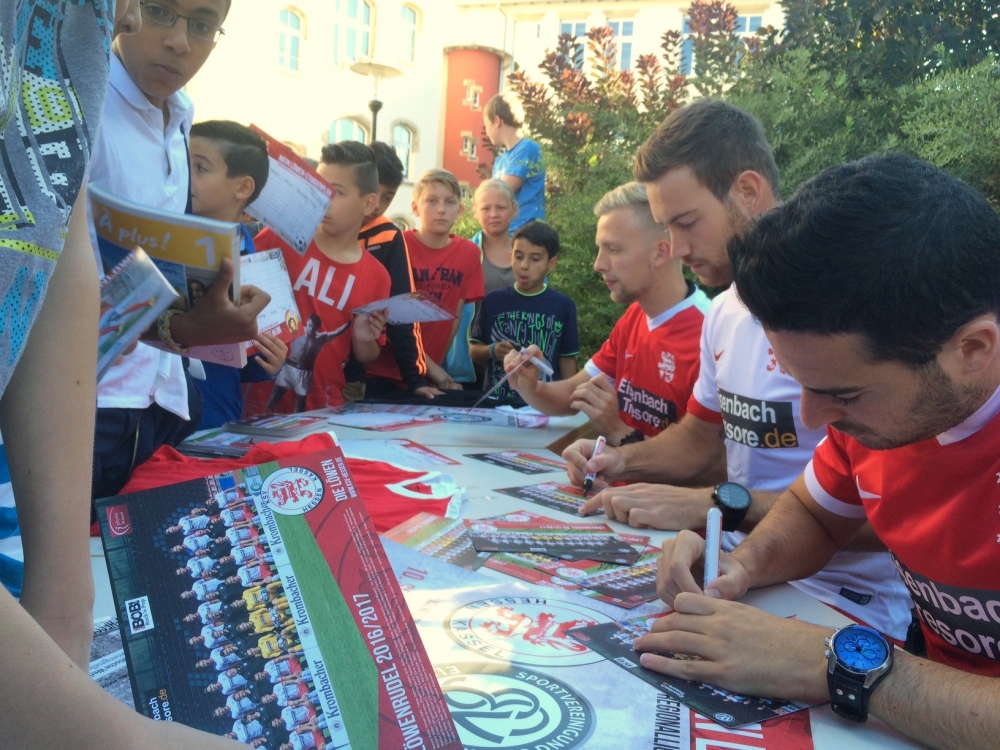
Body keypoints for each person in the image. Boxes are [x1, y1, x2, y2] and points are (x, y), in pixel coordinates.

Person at [647, 153, 1000, 750]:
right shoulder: (868, 416)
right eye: (801, 384)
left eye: (844, 393)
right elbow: (816, 514)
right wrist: (739, 568)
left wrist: (828, 663)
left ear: (972, 350)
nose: (812, 417)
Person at [564, 101, 911, 641]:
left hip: (845, 598)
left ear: (748, 191)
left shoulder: (846, 315)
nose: (677, 248)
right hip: (737, 568)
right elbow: (699, 440)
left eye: (686, 223)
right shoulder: (723, 311)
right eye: (666, 228)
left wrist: (717, 506)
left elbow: (893, 514)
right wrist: (619, 459)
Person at [0, 2, 243, 748]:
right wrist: (99, 731)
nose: (137, 21)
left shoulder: (165, 110)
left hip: (117, 397)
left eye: (204, 22)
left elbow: (54, 237)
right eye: (153, 6)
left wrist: (63, 608)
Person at [90, 0, 270, 500]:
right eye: (160, 11)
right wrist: (186, 329)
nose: (179, 41)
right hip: (84, 403)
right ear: (126, 9)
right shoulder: (84, 103)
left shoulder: (183, 117)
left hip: (163, 402)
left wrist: (206, 317)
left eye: (203, 25)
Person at [504, 182, 710, 447]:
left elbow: (706, 462)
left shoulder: (711, 334)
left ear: (660, 252)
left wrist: (618, 433)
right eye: (600, 249)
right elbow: (573, 395)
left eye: (613, 249)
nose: (598, 264)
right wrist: (530, 386)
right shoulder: (634, 317)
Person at [252, 142, 390, 413]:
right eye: (319, 188)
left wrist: (363, 338)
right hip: (252, 405)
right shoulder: (279, 237)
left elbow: (368, 354)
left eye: (336, 192)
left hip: (322, 412)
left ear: (369, 203)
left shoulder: (377, 276)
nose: (323, 199)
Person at [187, 119, 288, 428]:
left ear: (243, 188)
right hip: (147, 421)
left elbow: (249, 361)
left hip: (213, 422)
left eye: (200, 167)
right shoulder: (153, 237)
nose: (184, 175)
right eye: (180, 162)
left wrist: (271, 359)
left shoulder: (256, 262)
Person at [350, 142, 437, 399]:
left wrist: (415, 379)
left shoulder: (389, 236)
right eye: (372, 193)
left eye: (387, 197)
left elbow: (403, 306)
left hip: (357, 374)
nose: (376, 205)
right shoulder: (323, 225)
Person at [470, 221, 578, 403]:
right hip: (498, 401)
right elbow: (474, 350)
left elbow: (567, 360)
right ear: (510, 256)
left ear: (551, 263)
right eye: (518, 257)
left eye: (535, 259)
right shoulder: (493, 301)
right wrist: (492, 350)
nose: (524, 265)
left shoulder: (563, 305)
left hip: (545, 403)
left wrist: (570, 402)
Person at [401, 169, 485, 390]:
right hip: (389, 370)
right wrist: (429, 366)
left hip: (430, 375)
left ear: (460, 210)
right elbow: (390, 319)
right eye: (431, 201)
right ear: (415, 207)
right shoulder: (398, 245)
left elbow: (454, 316)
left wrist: (434, 366)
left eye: (449, 202)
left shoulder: (469, 253)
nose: (441, 209)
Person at [444, 178, 518, 387]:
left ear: (514, 210)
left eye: (500, 207)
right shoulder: (463, 252)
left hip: (517, 362)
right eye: (486, 208)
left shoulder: (528, 253)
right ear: (475, 212)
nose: (493, 214)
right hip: (469, 364)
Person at [484, 93, 545, 233]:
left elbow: (501, 192)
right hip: (506, 233)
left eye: (486, 125)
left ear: (497, 121)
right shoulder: (500, 160)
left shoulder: (527, 148)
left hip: (527, 232)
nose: (486, 132)